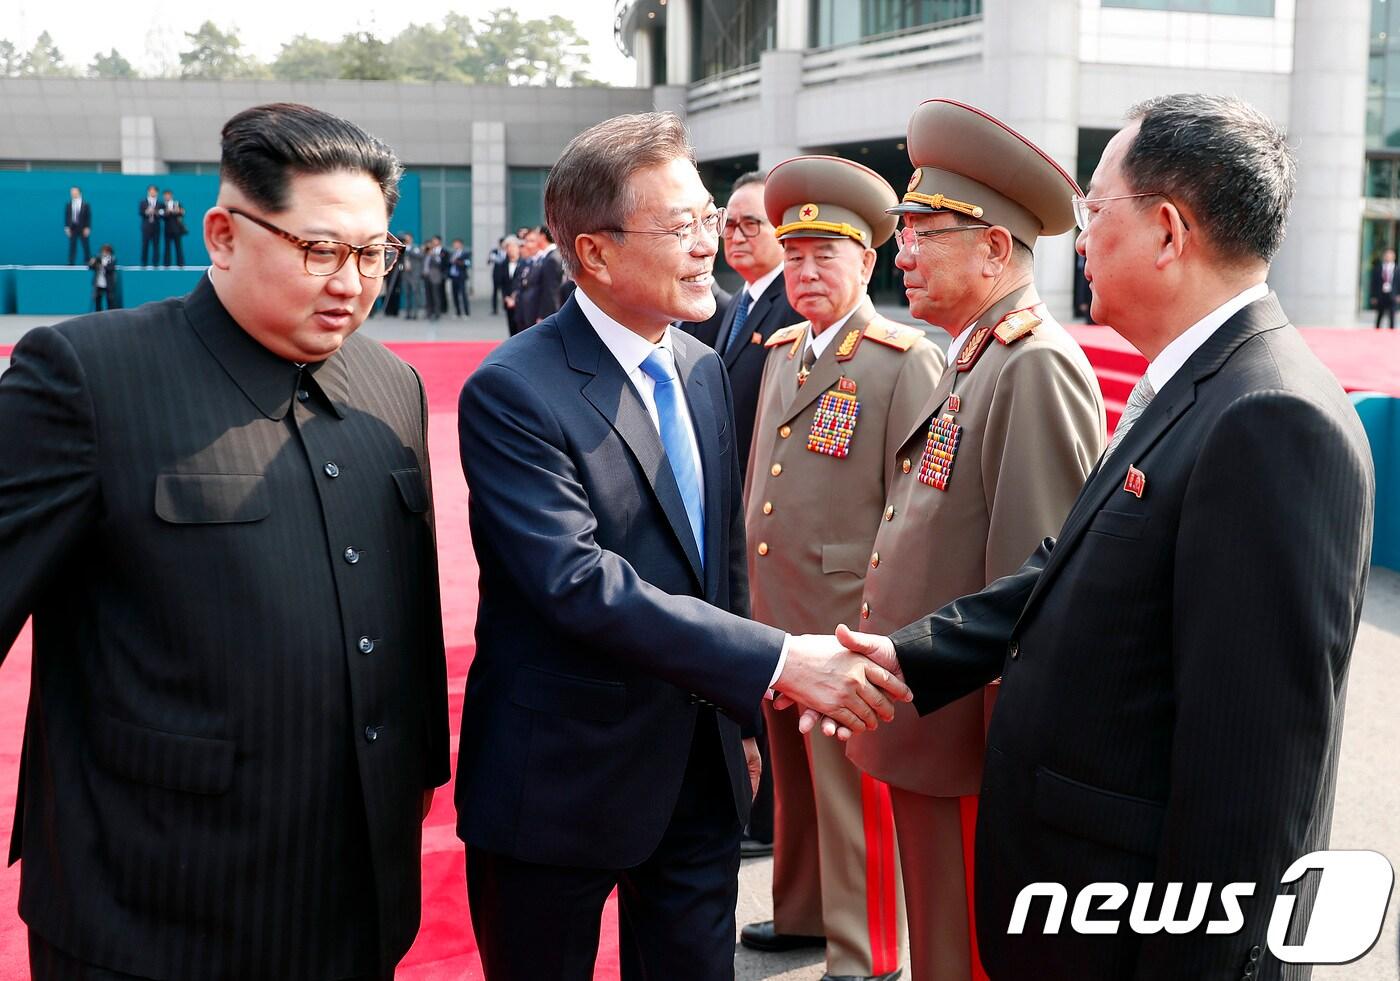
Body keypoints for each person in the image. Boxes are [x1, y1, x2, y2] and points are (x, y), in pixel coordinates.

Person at [816, 93, 1375, 980]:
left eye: (1093, 213)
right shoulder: (1197, 383)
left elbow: (1254, 774)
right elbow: (1063, 566)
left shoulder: (1268, 416)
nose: (1077, 240)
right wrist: (902, 657)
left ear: (1164, 231)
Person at [455, 111, 911, 981]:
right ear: (593, 252)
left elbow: (721, 560)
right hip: (560, 776)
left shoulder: (701, 367)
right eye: (685, 226)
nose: (713, 244)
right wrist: (779, 660)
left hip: (697, 777)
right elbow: (576, 581)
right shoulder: (515, 389)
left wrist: (741, 714)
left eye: (713, 220)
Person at [0, 102, 449, 980]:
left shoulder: (391, 386)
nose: (351, 282)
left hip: (357, 899)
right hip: (152, 907)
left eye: (372, 254)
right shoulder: (88, 377)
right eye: (320, 249)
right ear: (224, 232)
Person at [815, 99, 1104, 981]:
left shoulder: (1033, 362)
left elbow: (1040, 581)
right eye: (903, 231)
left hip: (970, 747)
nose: (901, 251)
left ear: (992, 248)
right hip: (927, 726)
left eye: (923, 232)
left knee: (967, 952)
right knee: (937, 938)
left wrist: (1011, 761)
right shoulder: (976, 353)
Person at [739, 155, 944, 981]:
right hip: (780, 604)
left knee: (848, 783)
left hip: (847, 613)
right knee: (791, 775)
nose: (807, 272)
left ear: (867, 261)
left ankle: (864, 949)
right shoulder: (783, 349)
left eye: (827, 256)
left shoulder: (901, 358)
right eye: (794, 256)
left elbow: (917, 504)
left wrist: (887, 619)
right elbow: (764, 476)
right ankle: (802, 912)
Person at [686, 170, 804, 474]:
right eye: (730, 225)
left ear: (781, 230)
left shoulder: (796, 305)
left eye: (751, 225)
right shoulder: (738, 301)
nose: (736, 237)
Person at [521, 225, 565, 327]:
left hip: (547, 314)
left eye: (537, 235)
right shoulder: (548, 256)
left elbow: (551, 290)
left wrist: (546, 316)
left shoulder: (552, 258)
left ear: (543, 236)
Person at [504, 230, 537, 336]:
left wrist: (515, 297)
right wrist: (507, 297)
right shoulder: (503, 264)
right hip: (513, 301)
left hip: (525, 304)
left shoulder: (526, 263)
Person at [399, 231, 424, 319]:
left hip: (414, 275)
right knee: (407, 294)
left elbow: (421, 256)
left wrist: (409, 251)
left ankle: (415, 313)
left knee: (415, 294)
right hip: (405, 275)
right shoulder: (402, 248)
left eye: (408, 238)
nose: (406, 240)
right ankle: (408, 313)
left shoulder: (415, 248)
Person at [64, 186, 91, 266]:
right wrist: (67, 228)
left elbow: (88, 216)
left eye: (75, 192)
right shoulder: (69, 204)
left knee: (85, 245)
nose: (73, 193)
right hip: (73, 227)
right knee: (72, 245)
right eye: (72, 192)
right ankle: (71, 261)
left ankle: (87, 260)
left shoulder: (86, 204)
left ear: (79, 192)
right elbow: (67, 216)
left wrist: (87, 227)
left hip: (83, 227)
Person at [1370, 247, 1396, 329]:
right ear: (1384, 256)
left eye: (1390, 255)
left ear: (1393, 256)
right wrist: (1373, 296)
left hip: (1392, 295)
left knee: (1392, 316)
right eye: (1387, 255)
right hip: (1381, 295)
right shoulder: (1378, 268)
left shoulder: (1397, 269)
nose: (1388, 257)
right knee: (1379, 316)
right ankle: (1377, 333)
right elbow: (1374, 283)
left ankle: (1392, 334)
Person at [88, 242, 118, 310]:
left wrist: (103, 264)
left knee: (110, 300)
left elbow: (110, 269)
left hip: (108, 284)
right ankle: (98, 314)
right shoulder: (98, 258)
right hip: (99, 284)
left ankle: (111, 314)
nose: (105, 253)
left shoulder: (112, 259)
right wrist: (92, 262)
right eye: (103, 251)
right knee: (98, 300)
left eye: (107, 251)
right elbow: (90, 267)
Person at [161, 189, 187, 267]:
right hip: (167, 230)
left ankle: (181, 264)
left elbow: (182, 213)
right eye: (165, 195)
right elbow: (161, 215)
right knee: (167, 248)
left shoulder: (177, 203)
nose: (167, 196)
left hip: (177, 230)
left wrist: (177, 211)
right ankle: (166, 265)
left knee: (178, 247)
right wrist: (167, 212)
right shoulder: (162, 205)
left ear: (171, 195)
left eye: (168, 195)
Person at [424, 235, 446, 321]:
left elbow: (439, 262)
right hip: (427, 276)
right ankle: (429, 312)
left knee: (436, 295)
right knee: (428, 295)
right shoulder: (427, 251)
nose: (433, 242)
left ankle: (437, 313)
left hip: (435, 276)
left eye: (435, 240)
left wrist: (433, 255)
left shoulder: (438, 252)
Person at [139, 183, 162, 266]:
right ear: (148, 192)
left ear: (157, 193)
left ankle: (155, 263)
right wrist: (147, 212)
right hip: (146, 227)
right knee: (145, 245)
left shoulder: (160, 203)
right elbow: (140, 212)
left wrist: (156, 212)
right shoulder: (143, 202)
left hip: (156, 227)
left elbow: (162, 214)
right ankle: (144, 263)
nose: (152, 192)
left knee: (156, 245)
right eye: (151, 191)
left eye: (154, 191)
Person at [449, 237, 471, 317]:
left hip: (461, 276)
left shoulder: (465, 253)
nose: (455, 245)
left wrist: (459, 262)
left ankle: (466, 312)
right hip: (454, 276)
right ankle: (458, 312)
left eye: (457, 243)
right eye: (454, 244)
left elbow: (467, 263)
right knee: (454, 295)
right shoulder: (452, 253)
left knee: (463, 294)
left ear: (461, 244)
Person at [489, 237, 509, 315]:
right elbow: (489, 260)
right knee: (495, 292)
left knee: (505, 292)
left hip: (505, 275)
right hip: (496, 275)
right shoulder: (495, 251)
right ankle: (494, 309)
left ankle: (506, 308)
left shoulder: (508, 252)